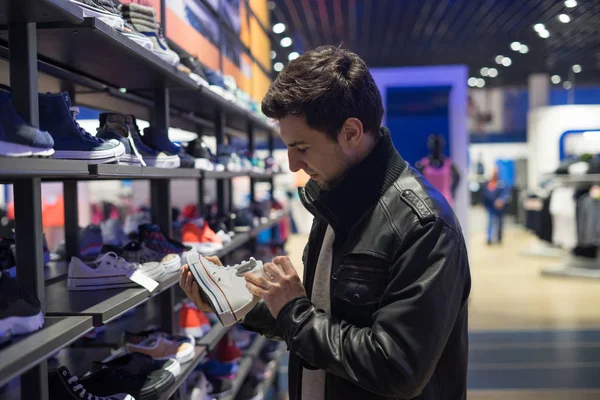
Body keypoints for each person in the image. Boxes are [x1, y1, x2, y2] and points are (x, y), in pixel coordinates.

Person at [180, 46, 471, 400]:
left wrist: (293, 310)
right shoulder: (332, 198)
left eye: (302, 147)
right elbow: (324, 322)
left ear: (350, 132)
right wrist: (242, 301)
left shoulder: (424, 225)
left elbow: (398, 368)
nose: (292, 164)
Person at [482, 167, 510, 245]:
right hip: (490, 206)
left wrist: (501, 200)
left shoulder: (501, 182)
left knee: (500, 222)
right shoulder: (488, 182)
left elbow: (505, 193)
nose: (494, 173)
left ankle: (499, 238)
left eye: (496, 172)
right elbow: (485, 193)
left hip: (499, 207)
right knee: (490, 221)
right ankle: (489, 238)